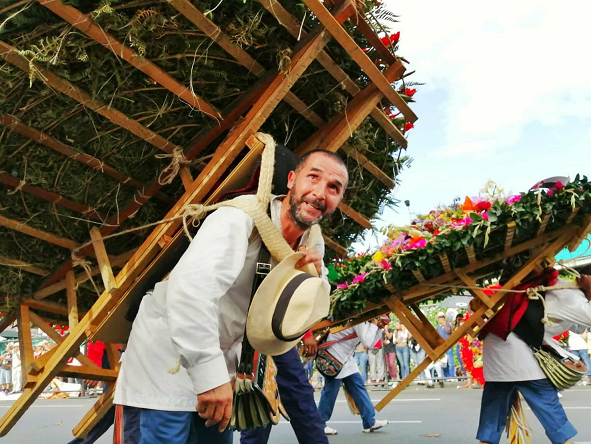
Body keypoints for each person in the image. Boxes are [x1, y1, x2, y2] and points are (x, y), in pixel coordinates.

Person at [114, 148, 348, 443]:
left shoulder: (313, 243)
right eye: (313, 178)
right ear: (291, 180)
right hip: (167, 357)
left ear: (337, 201)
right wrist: (209, 376)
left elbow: (304, 310)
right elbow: (190, 293)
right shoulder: (239, 219)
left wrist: (313, 276)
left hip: (221, 359)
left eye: (333, 188)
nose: (319, 193)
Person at [476, 266, 591, 444]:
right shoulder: (570, 295)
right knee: (549, 408)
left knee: (493, 412)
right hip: (518, 353)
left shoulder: (561, 290)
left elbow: (579, 326)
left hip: (499, 351)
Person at [318, 320, 389, 436]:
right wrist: (375, 325)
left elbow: (371, 343)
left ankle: (369, 422)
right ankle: (319, 425)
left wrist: (379, 328)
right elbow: (367, 342)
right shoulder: (357, 318)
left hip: (346, 359)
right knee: (330, 392)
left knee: (358, 387)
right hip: (334, 359)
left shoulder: (363, 321)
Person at [436, 312, 454, 377]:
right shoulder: (438, 327)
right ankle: (447, 376)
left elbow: (448, 331)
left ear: (444, 317)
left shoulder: (448, 324)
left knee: (450, 362)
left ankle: (452, 376)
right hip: (442, 347)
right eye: (439, 317)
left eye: (442, 317)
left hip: (448, 346)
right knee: (444, 362)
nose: (441, 318)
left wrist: (445, 325)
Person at [382, 320, 398, 385]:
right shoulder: (382, 332)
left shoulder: (392, 330)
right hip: (386, 349)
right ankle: (391, 377)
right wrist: (383, 341)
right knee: (388, 364)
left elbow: (389, 336)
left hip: (392, 349)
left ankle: (395, 377)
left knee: (392, 363)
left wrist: (386, 330)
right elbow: (382, 339)